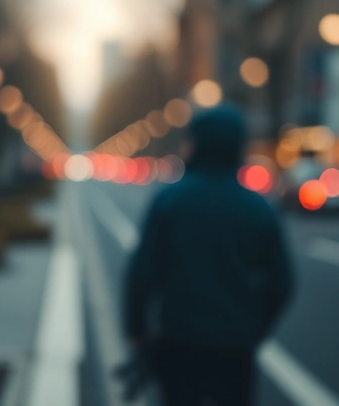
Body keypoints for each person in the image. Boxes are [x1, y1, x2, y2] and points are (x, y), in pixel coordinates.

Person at [123, 104, 295, 406]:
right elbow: (282, 283)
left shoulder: (169, 201)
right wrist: (253, 328)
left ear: (196, 144)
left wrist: (137, 331)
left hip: (178, 343)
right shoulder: (259, 209)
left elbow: (141, 273)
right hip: (236, 348)